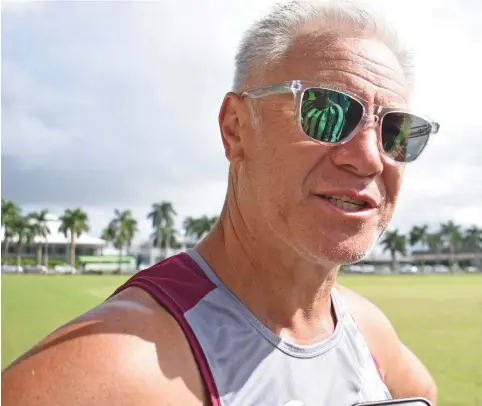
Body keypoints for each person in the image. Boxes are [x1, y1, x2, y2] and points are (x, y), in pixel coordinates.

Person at [2, 1, 440, 405]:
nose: (368, 158)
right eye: (327, 111)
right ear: (235, 128)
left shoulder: (365, 331)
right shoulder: (114, 368)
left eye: (396, 132)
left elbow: (423, 392)